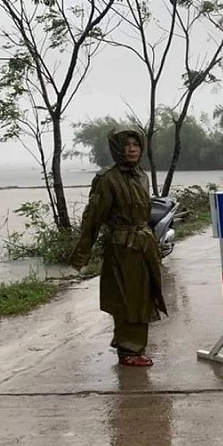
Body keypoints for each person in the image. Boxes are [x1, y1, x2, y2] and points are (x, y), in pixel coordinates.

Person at [69, 127, 167, 367]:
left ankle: (131, 345)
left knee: (144, 296)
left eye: (136, 144)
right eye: (127, 145)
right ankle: (128, 351)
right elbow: (93, 217)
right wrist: (81, 254)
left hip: (143, 243)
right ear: (117, 149)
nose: (132, 149)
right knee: (128, 298)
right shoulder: (107, 179)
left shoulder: (141, 176)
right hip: (123, 247)